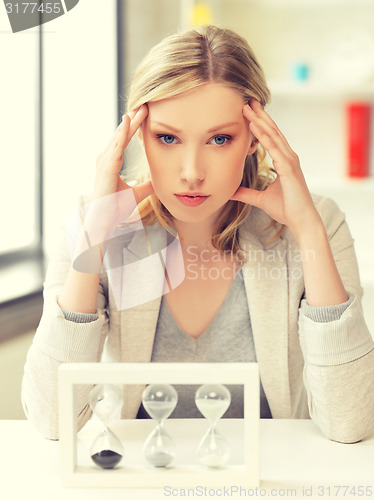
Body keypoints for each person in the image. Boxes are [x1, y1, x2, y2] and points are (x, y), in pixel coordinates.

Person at [22, 25, 374, 443]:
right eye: (167, 137)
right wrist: (96, 234)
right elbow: (50, 419)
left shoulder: (318, 223)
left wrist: (309, 231)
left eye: (219, 138)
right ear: (137, 136)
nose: (191, 172)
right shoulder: (93, 223)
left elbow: (349, 422)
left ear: (254, 138)